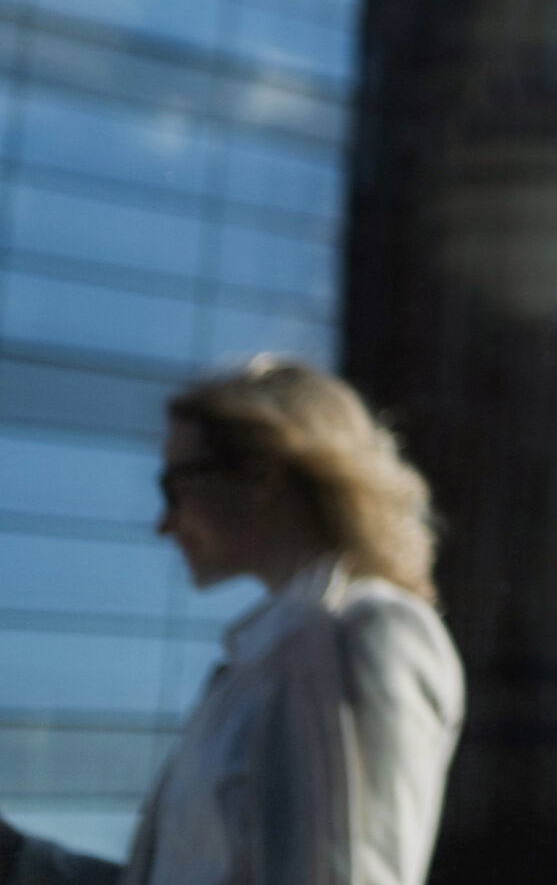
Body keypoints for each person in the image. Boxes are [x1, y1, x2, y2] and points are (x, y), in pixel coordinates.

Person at [0, 358, 465, 885]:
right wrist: (17, 860)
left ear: (260, 472)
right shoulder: (271, 657)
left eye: (175, 486)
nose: (164, 523)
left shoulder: (364, 630)